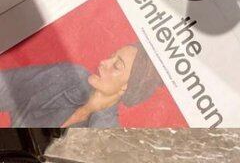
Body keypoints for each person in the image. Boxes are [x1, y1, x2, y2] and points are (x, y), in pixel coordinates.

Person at [0, 43, 162, 127]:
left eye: (116, 66)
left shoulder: (107, 128)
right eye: (111, 56)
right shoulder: (69, 75)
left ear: (126, 87)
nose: (103, 62)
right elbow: (5, 87)